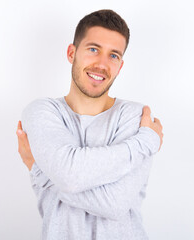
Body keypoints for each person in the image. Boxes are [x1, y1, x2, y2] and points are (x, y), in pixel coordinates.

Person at [16, 9, 163, 240]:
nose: (102, 64)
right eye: (93, 49)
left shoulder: (135, 116)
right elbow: (70, 176)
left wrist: (43, 174)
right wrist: (144, 143)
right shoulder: (41, 113)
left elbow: (114, 204)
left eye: (113, 55)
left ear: (120, 66)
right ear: (71, 53)